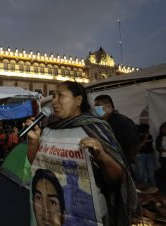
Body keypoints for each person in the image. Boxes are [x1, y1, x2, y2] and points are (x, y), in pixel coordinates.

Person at [26, 81, 137, 226]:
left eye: (61, 95)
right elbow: (36, 165)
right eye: (53, 96)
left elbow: (117, 178)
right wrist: (34, 143)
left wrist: (102, 157)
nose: (55, 100)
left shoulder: (96, 129)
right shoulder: (48, 130)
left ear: (78, 100)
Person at [94, 94, 141, 178]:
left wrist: (128, 159)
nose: (95, 109)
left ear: (108, 107)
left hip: (122, 165)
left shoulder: (124, 122)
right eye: (95, 107)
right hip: (106, 165)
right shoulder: (99, 123)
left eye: (98, 106)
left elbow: (134, 144)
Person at [137, 124, 156, 190]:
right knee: (141, 172)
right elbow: (140, 146)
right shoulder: (137, 136)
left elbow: (149, 145)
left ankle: (153, 187)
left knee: (151, 172)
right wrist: (145, 137)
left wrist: (147, 136)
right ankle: (142, 188)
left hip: (150, 154)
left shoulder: (150, 136)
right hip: (141, 155)